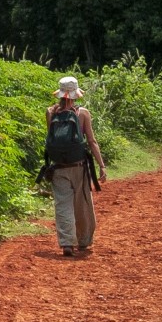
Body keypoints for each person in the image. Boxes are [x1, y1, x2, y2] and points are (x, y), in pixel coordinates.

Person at [45, 76, 107, 257]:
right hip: (79, 166)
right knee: (82, 204)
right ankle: (83, 240)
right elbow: (92, 141)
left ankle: (66, 243)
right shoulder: (83, 113)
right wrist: (101, 166)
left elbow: (51, 139)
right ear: (75, 94)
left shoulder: (50, 113)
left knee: (63, 205)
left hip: (58, 167)